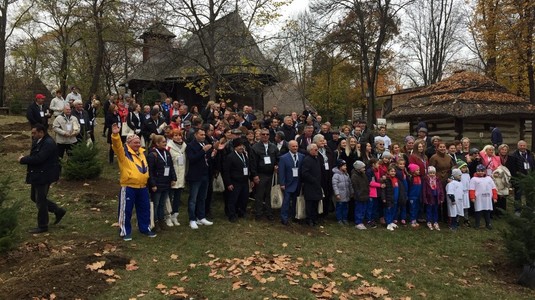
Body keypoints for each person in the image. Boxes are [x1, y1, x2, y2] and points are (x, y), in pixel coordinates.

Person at [110, 123, 156, 241]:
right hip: (129, 186)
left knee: (145, 208)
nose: (138, 144)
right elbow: (117, 146)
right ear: (128, 144)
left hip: (142, 187)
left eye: (138, 142)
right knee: (126, 210)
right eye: (135, 142)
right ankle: (125, 231)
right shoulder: (124, 154)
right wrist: (115, 135)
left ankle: (145, 228)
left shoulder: (141, 153)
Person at [18, 124, 66, 233]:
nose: (32, 135)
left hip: (45, 175)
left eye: (34, 133)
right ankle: (58, 210)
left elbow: (40, 158)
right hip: (37, 174)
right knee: (34, 198)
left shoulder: (48, 143)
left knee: (40, 200)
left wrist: (23, 159)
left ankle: (43, 225)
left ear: (41, 132)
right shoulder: (38, 141)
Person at [185, 128, 215, 229]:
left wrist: (212, 154)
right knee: (193, 198)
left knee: (202, 197)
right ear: (195, 135)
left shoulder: (204, 143)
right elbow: (192, 159)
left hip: (205, 174)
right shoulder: (190, 146)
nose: (203, 136)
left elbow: (206, 158)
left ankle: (201, 216)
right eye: (201, 135)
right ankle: (192, 219)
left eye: (204, 135)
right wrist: (203, 151)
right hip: (195, 175)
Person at [147, 134, 177, 231]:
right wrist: (153, 184)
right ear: (157, 143)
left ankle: (161, 220)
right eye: (163, 142)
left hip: (166, 182)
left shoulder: (166, 153)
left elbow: (171, 166)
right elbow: (150, 171)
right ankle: (155, 222)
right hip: (157, 183)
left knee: (162, 203)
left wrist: (173, 178)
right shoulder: (152, 155)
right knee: (156, 204)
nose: (165, 143)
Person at [250, 128, 279, 221]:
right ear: (260, 135)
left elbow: (278, 158)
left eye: (267, 134)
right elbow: (252, 163)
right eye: (263, 134)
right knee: (259, 195)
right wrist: (254, 175)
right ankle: (258, 213)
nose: (265, 136)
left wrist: (276, 166)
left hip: (270, 174)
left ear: (269, 136)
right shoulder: (255, 147)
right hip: (260, 174)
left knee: (269, 194)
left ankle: (269, 212)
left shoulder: (273, 146)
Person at [223, 138, 251, 223]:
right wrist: (228, 183)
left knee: (243, 198)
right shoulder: (230, 157)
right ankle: (232, 215)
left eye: (242, 146)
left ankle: (241, 212)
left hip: (244, 181)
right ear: (235, 147)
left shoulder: (244, 155)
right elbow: (226, 171)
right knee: (233, 199)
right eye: (239, 146)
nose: (241, 147)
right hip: (234, 181)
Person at [278, 140, 304, 225]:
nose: (295, 148)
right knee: (286, 201)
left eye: (296, 146)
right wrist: (282, 183)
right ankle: (284, 218)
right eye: (293, 146)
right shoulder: (284, 158)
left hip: (298, 183)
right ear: (289, 147)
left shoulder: (301, 156)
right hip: (288, 183)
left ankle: (293, 216)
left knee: (295, 201)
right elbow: (281, 172)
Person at [167, 129, 187, 226]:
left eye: (179, 135)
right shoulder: (169, 147)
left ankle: (175, 215)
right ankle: (168, 216)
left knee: (177, 198)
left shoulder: (184, 146)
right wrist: (170, 177)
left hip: (181, 176)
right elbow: (167, 163)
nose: (178, 137)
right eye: (175, 135)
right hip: (173, 176)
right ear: (172, 136)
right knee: (169, 197)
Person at [300, 143, 323, 226]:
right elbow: (305, 173)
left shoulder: (317, 159)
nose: (317, 151)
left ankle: (314, 218)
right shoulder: (307, 160)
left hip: (317, 185)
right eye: (316, 150)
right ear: (310, 150)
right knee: (310, 203)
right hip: (310, 185)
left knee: (316, 203)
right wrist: (313, 180)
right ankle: (309, 219)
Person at [470, 164, 498, 229]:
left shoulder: (489, 179)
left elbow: (493, 188)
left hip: (487, 199)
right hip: (479, 199)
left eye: (482, 171)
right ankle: (477, 224)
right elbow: (471, 189)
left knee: (487, 211)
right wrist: (472, 197)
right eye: (479, 171)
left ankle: (488, 224)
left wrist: (495, 197)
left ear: (485, 171)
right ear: (476, 171)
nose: (481, 172)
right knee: (478, 212)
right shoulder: (474, 179)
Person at [510, 140, 534, 214]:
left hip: (529, 178)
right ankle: (518, 210)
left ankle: (530, 209)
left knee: (529, 194)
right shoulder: (514, 155)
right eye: (521, 145)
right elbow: (512, 168)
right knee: (518, 195)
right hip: (519, 178)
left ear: (526, 146)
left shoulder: (530, 154)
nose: (523, 147)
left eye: (524, 145)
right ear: (518, 146)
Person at [332, 159, 353, 225]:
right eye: (344, 166)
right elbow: (334, 185)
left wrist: (351, 191)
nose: (345, 167)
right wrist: (337, 194)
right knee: (339, 207)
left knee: (345, 207)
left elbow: (350, 184)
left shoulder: (346, 174)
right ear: (340, 166)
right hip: (340, 195)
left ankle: (345, 218)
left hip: (346, 194)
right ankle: (339, 219)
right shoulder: (336, 175)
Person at [423, 166, 444, 231]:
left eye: (433, 173)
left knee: (435, 210)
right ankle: (429, 221)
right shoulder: (426, 180)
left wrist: (441, 197)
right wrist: (425, 198)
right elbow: (424, 190)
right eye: (430, 173)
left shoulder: (437, 180)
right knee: (429, 210)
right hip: (429, 197)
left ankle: (435, 222)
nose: (432, 174)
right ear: (428, 173)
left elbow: (440, 189)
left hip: (436, 197)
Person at [351, 160, 369, 229]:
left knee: (363, 209)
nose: (364, 169)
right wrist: (358, 194)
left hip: (365, 194)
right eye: (363, 168)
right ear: (358, 168)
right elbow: (355, 187)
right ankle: (358, 222)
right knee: (359, 209)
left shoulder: (363, 175)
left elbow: (366, 183)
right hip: (359, 196)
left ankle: (361, 221)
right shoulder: (354, 176)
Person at [382, 165, 399, 231]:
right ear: (388, 172)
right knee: (388, 210)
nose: (393, 173)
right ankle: (388, 223)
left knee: (393, 210)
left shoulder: (396, 179)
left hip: (395, 198)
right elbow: (383, 190)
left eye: (394, 171)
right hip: (389, 198)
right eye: (391, 171)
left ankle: (391, 221)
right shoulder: (386, 180)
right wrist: (384, 198)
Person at [407, 163, 422, 228]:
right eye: (417, 170)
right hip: (412, 196)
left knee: (417, 208)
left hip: (418, 196)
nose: (419, 171)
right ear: (413, 171)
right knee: (412, 208)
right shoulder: (411, 178)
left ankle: (415, 219)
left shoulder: (419, 177)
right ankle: (412, 220)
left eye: (419, 170)